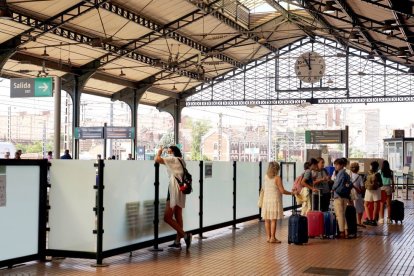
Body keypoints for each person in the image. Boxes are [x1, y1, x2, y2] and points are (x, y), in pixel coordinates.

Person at [154, 145, 192, 250]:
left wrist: (159, 152)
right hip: (182, 189)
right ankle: (177, 241)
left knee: (167, 217)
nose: (168, 154)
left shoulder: (173, 159)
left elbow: (157, 159)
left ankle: (185, 235)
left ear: (173, 152)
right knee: (178, 214)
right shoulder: (182, 160)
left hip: (174, 189)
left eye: (169, 152)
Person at [261, 162, 292, 243]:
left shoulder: (266, 177)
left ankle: (268, 237)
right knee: (273, 220)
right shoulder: (277, 178)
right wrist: (291, 193)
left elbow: (264, 188)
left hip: (266, 200)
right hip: (274, 200)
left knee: (267, 220)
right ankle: (273, 238)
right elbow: (282, 191)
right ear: (277, 169)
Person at [332, 158, 351, 239]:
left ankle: (341, 232)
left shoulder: (340, 173)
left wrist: (332, 188)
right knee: (343, 214)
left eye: (337, 165)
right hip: (345, 196)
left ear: (342, 165)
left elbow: (336, 184)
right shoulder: (347, 174)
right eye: (335, 164)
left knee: (339, 215)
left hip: (338, 196)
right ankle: (346, 231)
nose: (335, 166)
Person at [363, 161, 382, 226]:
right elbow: (381, 184)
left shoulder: (367, 173)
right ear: (377, 167)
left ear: (371, 166)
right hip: (377, 191)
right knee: (375, 205)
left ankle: (369, 219)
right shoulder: (378, 174)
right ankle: (374, 220)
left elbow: (364, 182)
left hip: (368, 191)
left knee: (366, 204)